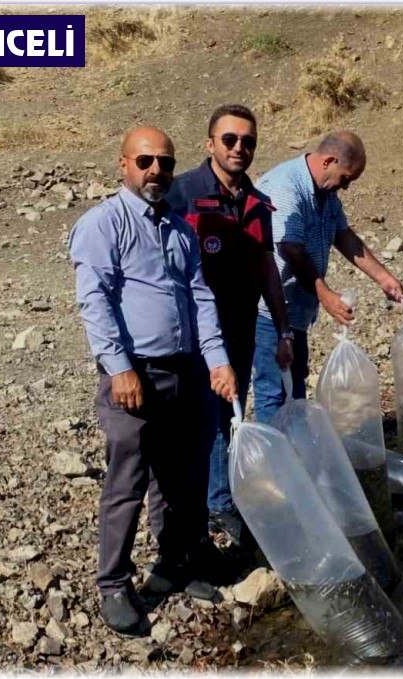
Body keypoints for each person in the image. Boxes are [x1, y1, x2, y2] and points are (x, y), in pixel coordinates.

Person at [69, 126, 239, 635]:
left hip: (185, 368)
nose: (156, 171)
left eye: (165, 162)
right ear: (123, 163)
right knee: (128, 479)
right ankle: (114, 583)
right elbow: (94, 299)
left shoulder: (179, 229)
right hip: (134, 374)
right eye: (145, 161)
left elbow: (199, 296)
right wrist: (119, 367)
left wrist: (217, 359)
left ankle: (173, 565)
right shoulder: (104, 223)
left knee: (182, 479)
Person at [166, 104, 292, 548]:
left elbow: (267, 268)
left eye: (249, 142)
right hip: (191, 335)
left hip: (240, 327)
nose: (241, 148)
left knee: (228, 414)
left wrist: (282, 329)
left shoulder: (257, 204)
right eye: (231, 140)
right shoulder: (180, 195)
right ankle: (198, 505)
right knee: (195, 419)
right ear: (210, 145)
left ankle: (221, 500)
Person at [251, 130, 403, 425]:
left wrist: (384, 278)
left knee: (294, 387)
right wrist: (326, 295)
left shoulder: (326, 193)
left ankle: (295, 453)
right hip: (270, 311)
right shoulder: (286, 186)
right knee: (273, 391)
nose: (345, 187)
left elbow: (343, 235)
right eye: (346, 178)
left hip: (297, 311)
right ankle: (275, 461)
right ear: (329, 161)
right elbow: (290, 249)